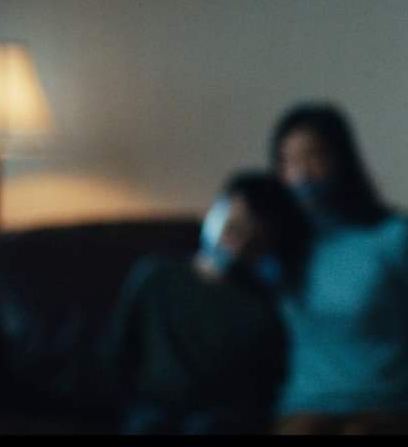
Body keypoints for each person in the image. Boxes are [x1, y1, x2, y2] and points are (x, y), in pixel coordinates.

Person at [270, 102, 408, 434]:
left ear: (341, 159)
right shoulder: (284, 243)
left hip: (383, 402)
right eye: (289, 161)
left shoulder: (393, 235)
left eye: (313, 156)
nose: (302, 174)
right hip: (305, 405)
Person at [103, 170, 310, 434]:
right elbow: (117, 353)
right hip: (150, 410)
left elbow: (260, 387)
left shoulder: (261, 308)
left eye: (254, 240)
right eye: (234, 228)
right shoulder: (156, 276)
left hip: (216, 419)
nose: (237, 246)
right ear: (211, 215)